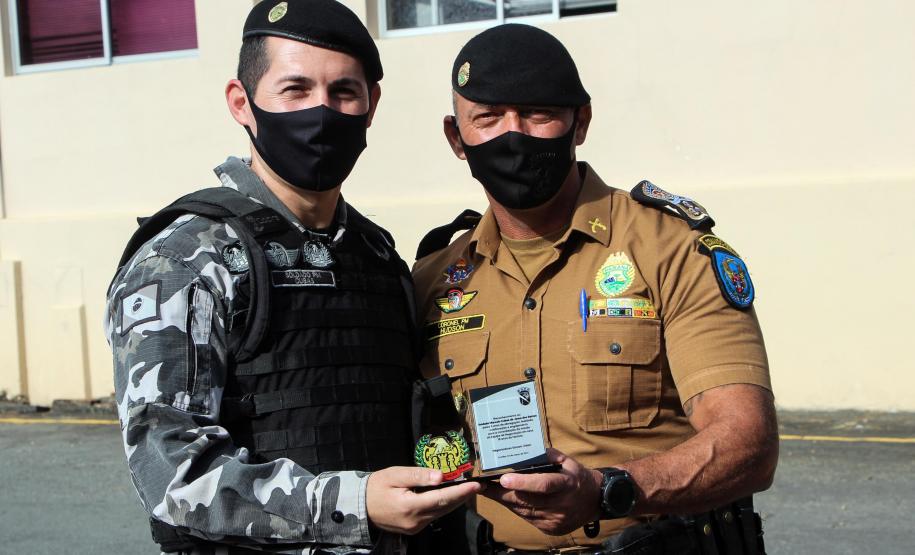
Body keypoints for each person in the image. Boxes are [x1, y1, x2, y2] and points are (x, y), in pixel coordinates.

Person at [104, 1, 479, 553]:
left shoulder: (377, 256)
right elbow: (173, 475)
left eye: (343, 93)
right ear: (243, 103)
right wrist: (353, 503)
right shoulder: (188, 257)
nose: (321, 112)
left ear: (371, 106)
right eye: (295, 90)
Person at [412, 24, 778, 554]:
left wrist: (610, 491)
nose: (513, 136)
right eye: (487, 118)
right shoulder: (433, 279)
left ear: (580, 121)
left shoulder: (669, 250)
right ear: (456, 138)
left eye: (539, 114)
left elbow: (748, 443)